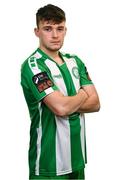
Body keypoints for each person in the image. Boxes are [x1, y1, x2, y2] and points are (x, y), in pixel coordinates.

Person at [21, 4, 100, 180]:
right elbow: (61, 108)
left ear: (66, 30)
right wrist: (82, 93)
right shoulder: (33, 65)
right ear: (37, 31)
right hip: (48, 165)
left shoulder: (75, 62)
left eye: (60, 28)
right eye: (48, 29)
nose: (55, 35)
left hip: (77, 161)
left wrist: (69, 102)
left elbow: (96, 104)